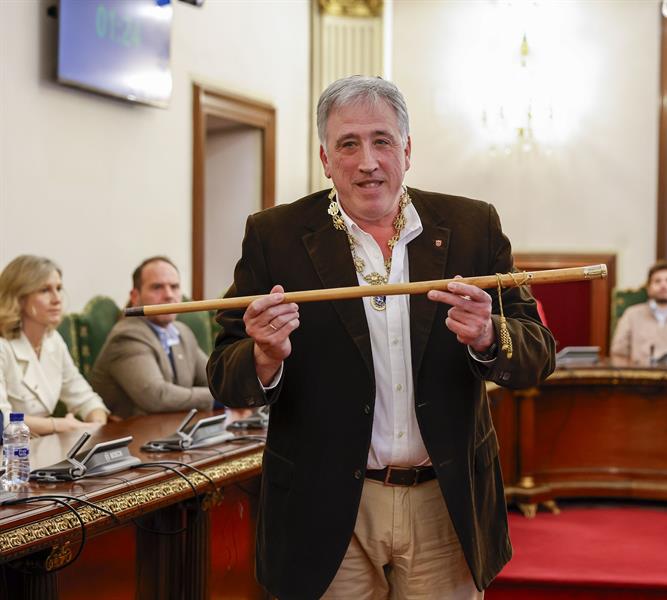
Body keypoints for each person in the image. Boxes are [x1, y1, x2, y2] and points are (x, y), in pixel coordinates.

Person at [207, 75, 556, 599]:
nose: (367, 161)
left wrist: (489, 335)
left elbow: (537, 354)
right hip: (323, 508)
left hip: (445, 501)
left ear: (407, 150)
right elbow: (223, 374)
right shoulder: (275, 236)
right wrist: (263, 357)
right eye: (348, 144)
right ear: (326, 159)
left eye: (382, 141)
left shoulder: (471, 226)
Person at [90, 257, 215, 419]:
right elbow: (158, 397)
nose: (169, 295)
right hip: (131, 437)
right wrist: (221, 398)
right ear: (135, 296)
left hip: (174, 432)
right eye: (157, 287)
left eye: (174, 287)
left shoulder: (182, 332)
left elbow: (215, 379)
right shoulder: (127, 336)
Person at [0, 255, 109, 434]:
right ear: (19, 298)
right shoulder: (3, 346)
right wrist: (59, 425)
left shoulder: (53, 340)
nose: (57, 299)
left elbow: (85, 398)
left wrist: (95, 423)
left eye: (58, 288)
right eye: (45, 290)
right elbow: (2, 420)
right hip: (10, 453)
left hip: (43, 446)